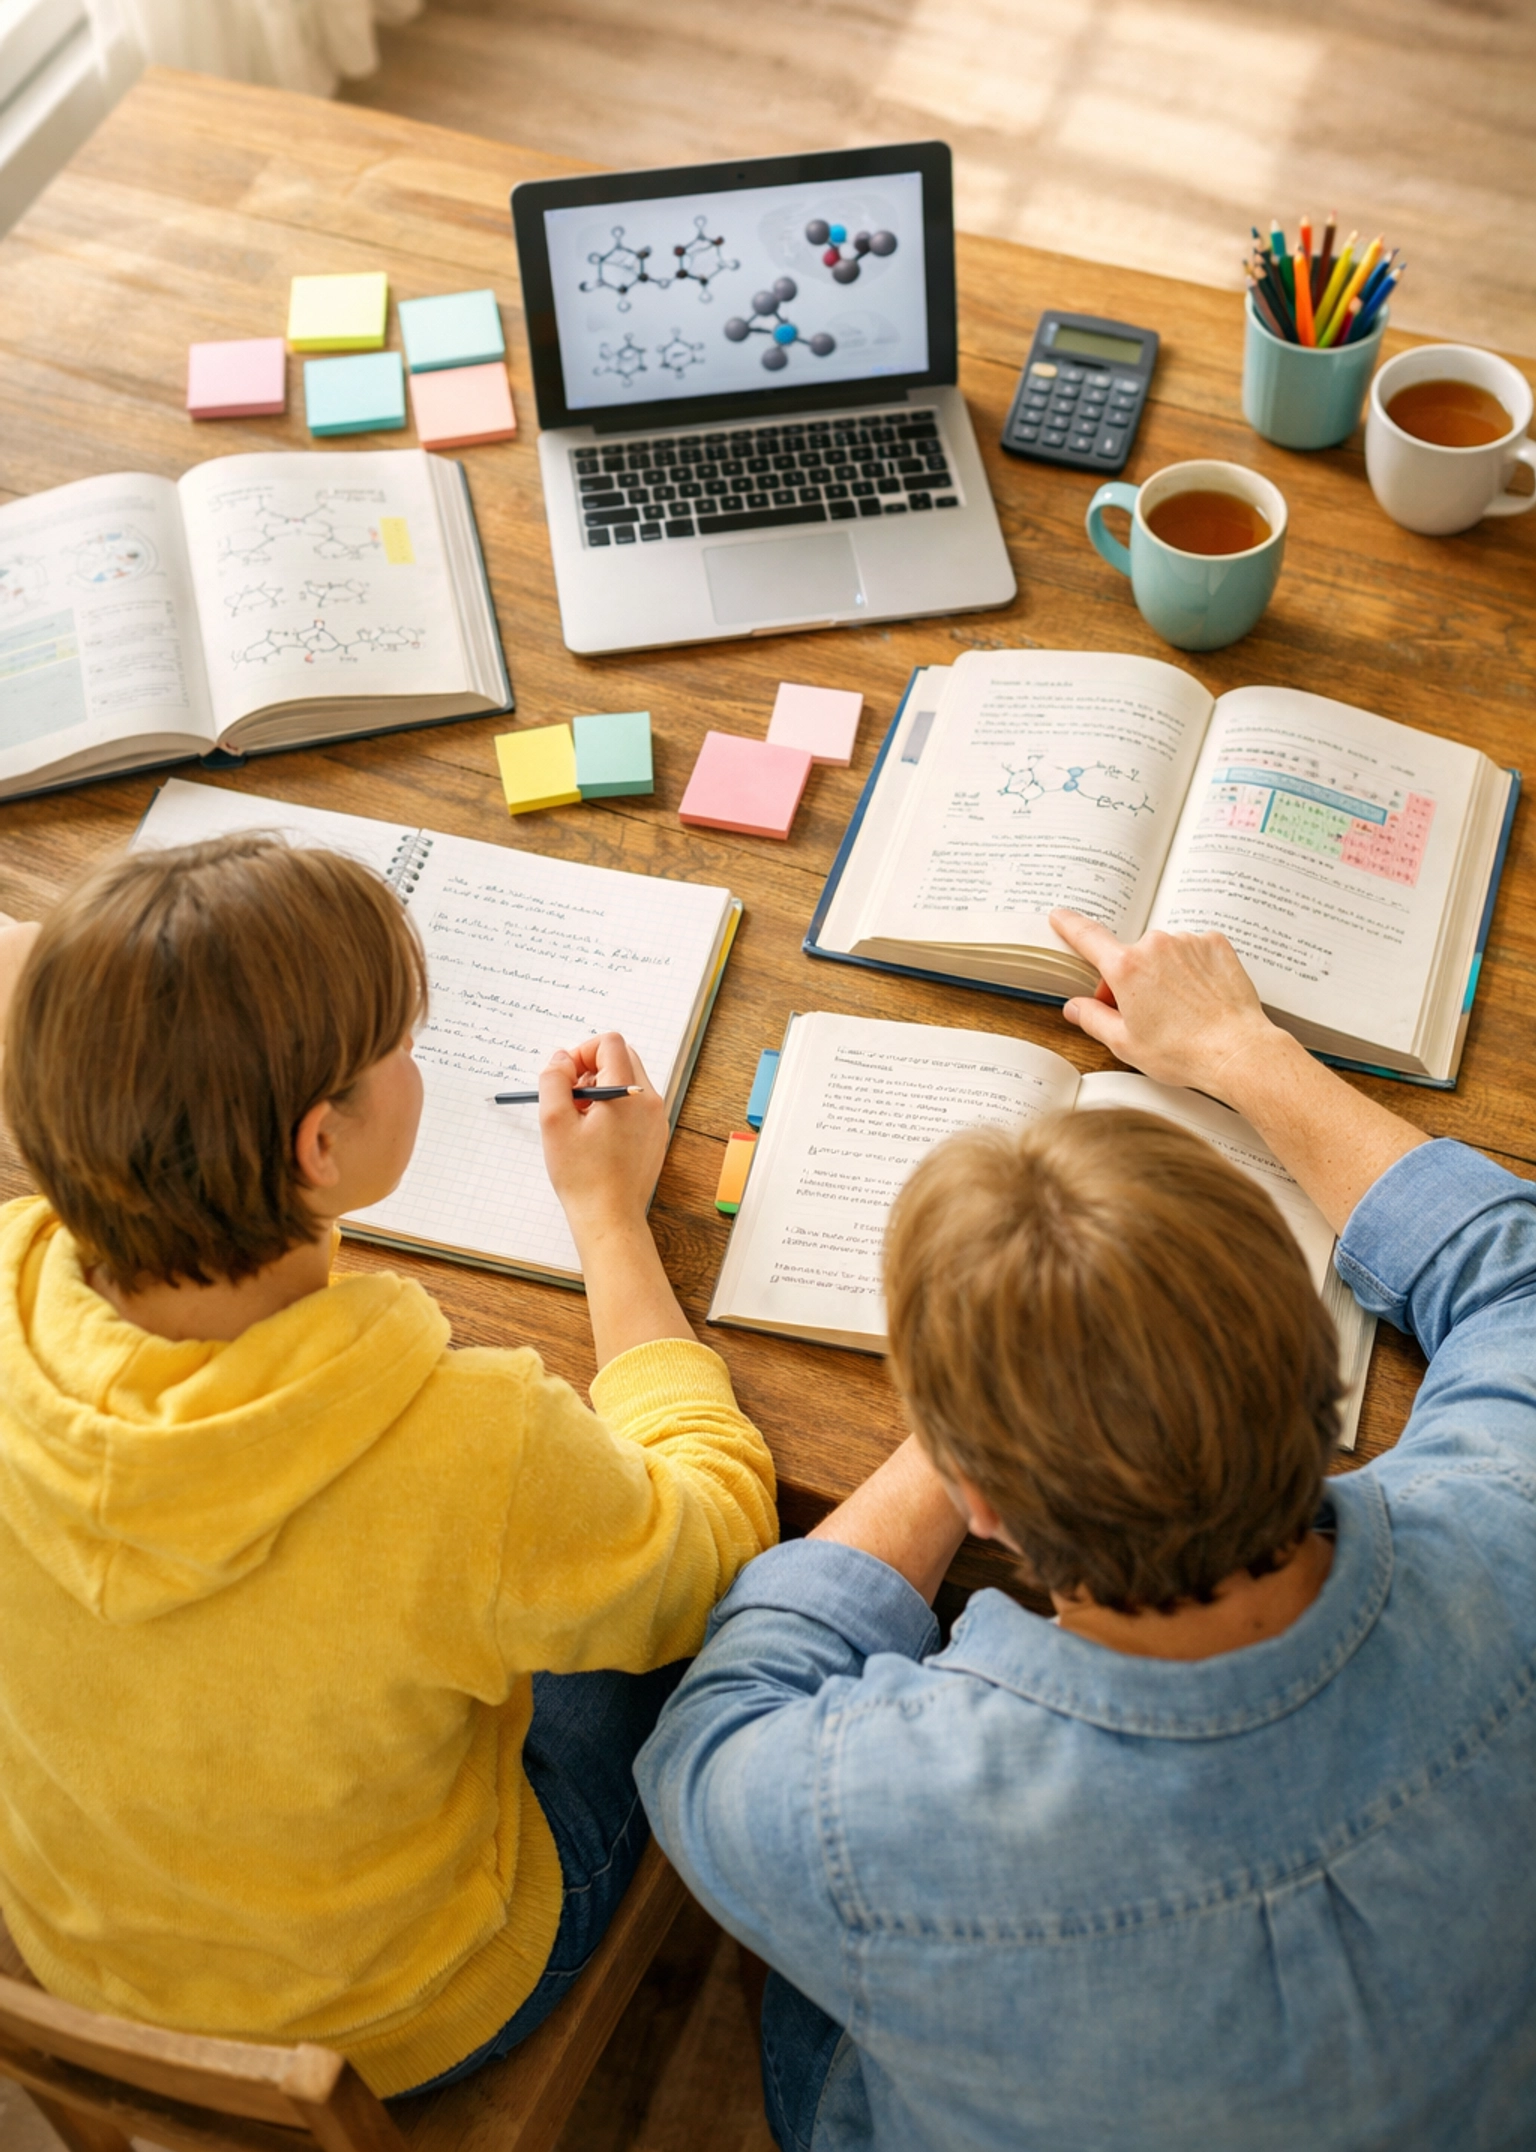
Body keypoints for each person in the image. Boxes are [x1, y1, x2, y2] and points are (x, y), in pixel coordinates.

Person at [636, 907, 1536, 2152]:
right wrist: (1239, 1045)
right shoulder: (1511, 1522)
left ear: (985, 1493)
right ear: (1312, 1366)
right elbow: (1512, 1273)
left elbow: (716, 1735)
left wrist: (986, 1405)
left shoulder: (880, 1814)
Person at [0, 835, 775, 2099]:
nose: (419, 1065)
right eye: (405, 1049)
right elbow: (709, 1542)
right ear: (319, 1147)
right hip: (404, 2008)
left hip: (94, 1956)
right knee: (697, 1629)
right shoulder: (463, 1442)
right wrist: (609, 1221)